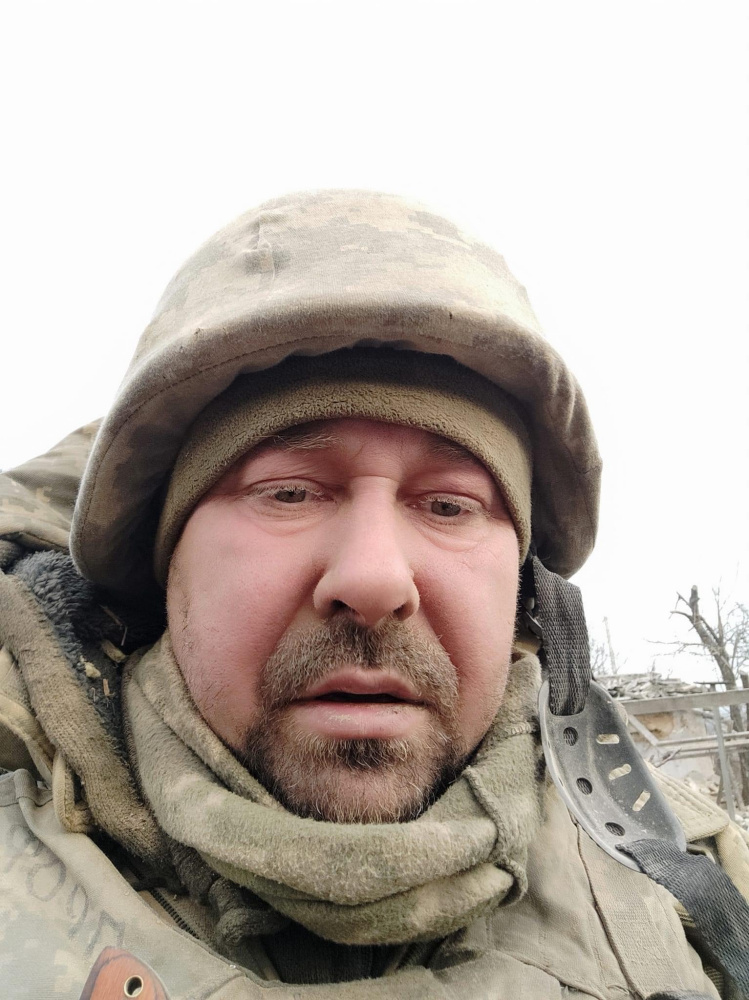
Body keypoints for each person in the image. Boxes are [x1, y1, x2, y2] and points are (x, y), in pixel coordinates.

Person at [0, 190, 747, 999]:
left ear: (526, 593)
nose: (373, 579)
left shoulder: (694, 882)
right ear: (166, 562)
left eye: (449, 506)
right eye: (288, 493)